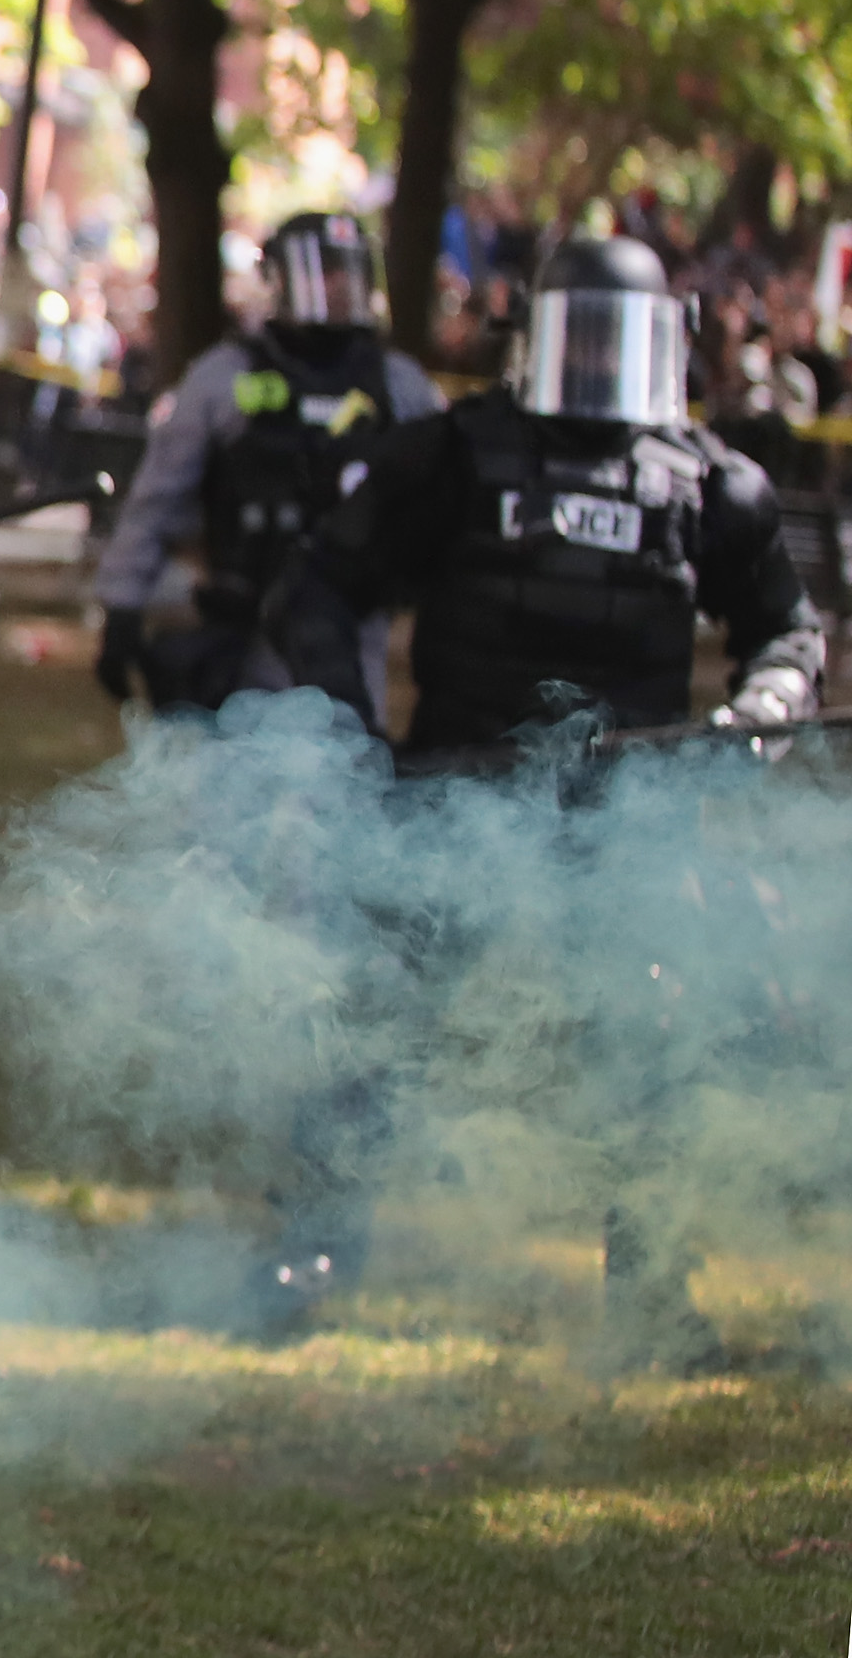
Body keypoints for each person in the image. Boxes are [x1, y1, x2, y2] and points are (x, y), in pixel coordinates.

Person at [263, 235, 825, 1353]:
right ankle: (312, 1249)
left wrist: (762, 708)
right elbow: (319, 586)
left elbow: (787, 633)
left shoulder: (709, 480)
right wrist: (351, 733)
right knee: (372, 1018)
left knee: (659, 1041)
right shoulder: (452, 457)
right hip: (456, 790)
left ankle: (656, 1292)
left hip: (624, 812)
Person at [92, 212, 444, 715]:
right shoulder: (225, 376)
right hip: (244, 625)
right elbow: (158, 498)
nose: (338, 286)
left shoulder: (402, 386)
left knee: (349, 766)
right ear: (278, 279)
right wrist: (122, 605)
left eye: (348, 271)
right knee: (243, 772)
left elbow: (438, 510)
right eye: (323, 272)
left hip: (353, 628)